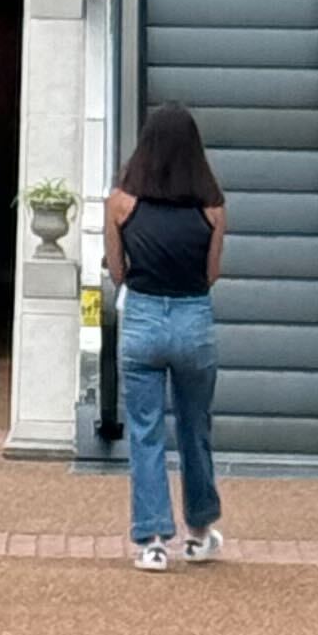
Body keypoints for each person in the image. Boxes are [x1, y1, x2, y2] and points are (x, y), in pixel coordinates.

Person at [108, 99, 227, 568]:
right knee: (196, 428)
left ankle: (153, 540)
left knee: (145, 431)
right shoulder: (212, 208)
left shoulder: (121, 203)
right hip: (193, 316)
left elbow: (118, 271)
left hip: (142, 315)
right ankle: (199, 531)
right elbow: (212, 273)